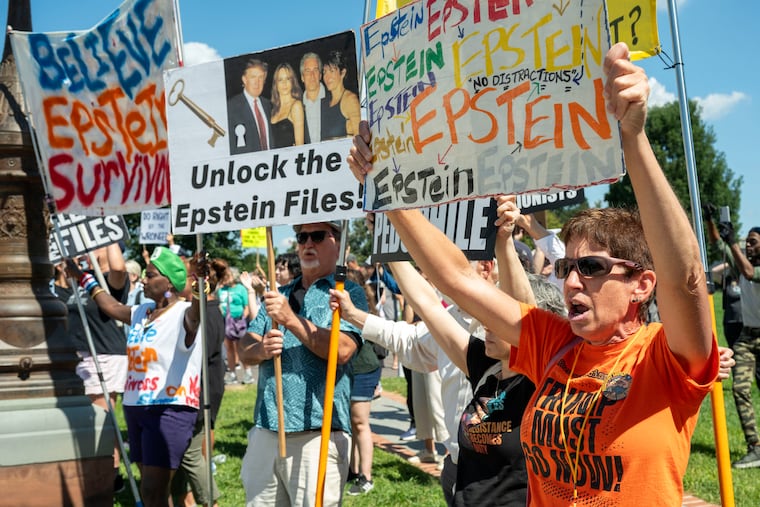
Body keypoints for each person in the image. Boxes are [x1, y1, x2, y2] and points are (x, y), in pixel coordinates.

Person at [348, 42, 718, 505]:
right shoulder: (553, 343)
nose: (571, 281)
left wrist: (633, 138)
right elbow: (458, 280)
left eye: (591, 267)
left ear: (642, 284)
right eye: (566, 267)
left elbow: (685, 278)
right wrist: (389, 193)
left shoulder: (665, 360)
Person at [237, 220, 368, 507]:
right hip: (267, 428)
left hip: (319, 434)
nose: (308, 243)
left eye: (318, 236)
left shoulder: (348, 294)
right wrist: (260, 349)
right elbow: (244, 347)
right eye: (301, 237)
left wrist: (291, 321)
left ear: (338, 243)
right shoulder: (279, 294)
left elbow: (343, 350)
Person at [66, 246, 206, 507]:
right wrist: (83, 278)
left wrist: (198, 282)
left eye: (150, 275)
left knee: (153, 490)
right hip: (136, 408)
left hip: (169, 410)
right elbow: (110, 306)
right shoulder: (141, 312)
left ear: (169, 283)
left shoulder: (184, 313)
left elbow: (196, 315)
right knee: (151, 490)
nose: (143, 279)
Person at [52, 244, 130, 493]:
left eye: (92, 248)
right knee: (90, 420)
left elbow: (118, 267)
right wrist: (67, 271)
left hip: (104, 355)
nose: (86, 251)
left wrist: (105, 237)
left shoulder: (108, 283)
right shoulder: (80, 281)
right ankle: (100, 469)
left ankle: (111, 473)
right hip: (80, 358)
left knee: (101, 419)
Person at [172, 258, 227, 507]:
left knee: (193, 454)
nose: (175, 283)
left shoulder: (207, 313)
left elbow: (197, 354)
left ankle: (206, 501)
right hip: (196, 389)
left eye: (181, 277)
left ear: (195, 282)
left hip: (200, 391)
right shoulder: (204, 309)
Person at [712, 218, 760, 468]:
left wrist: (732, 242)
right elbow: (714, 243)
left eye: (753, 243)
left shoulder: (752, 269)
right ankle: (755, 446)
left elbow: (750, 273)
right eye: (746, 243)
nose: (748, 246)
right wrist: (712, 222)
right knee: (740, 389)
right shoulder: (741, 266)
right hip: (747, 337)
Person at [343, 268, 382, 496]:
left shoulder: (360, 310)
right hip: (346, 369)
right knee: (348, 423)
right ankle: (352, 469)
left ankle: (365, 476)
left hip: (363, 369)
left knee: (359, 423)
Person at [228, 58, 272, 154]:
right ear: (244, 79)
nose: (257, 82)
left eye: (261, 77)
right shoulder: (231, 107)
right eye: (253, 77)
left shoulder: (269, 105)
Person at [217, 264, 251, 385]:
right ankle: (232, 374)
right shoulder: (220, 290)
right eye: (224, 276)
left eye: (228, 275)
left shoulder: (240, 289)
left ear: (233, 276)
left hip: (238, 322)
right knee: (229, 349)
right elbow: (218, 304)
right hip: (225, 322)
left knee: (241, 347)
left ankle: (247, 372)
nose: (225, 277)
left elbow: (246, 307)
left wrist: (242, 319)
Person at [321, 49, 361, 139]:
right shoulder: (325, 103)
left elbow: (359, 138)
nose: (327, 77)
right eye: (324, 72)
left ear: (342, 73)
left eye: (332, 71)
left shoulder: (350, 99)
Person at [270, 62, 306, 148]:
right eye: (280, 80)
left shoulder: (296, 106)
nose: (284, 83)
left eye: (288, 79)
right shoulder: (272, 109)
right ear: (276, 84)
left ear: (293, 82)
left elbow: (300, 145)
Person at [299, 52, 325, 143]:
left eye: (315, 70)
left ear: (320, 75)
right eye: (307, 71)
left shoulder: (335, 100)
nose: (312, 75)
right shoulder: (298, 107)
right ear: (302, 77)